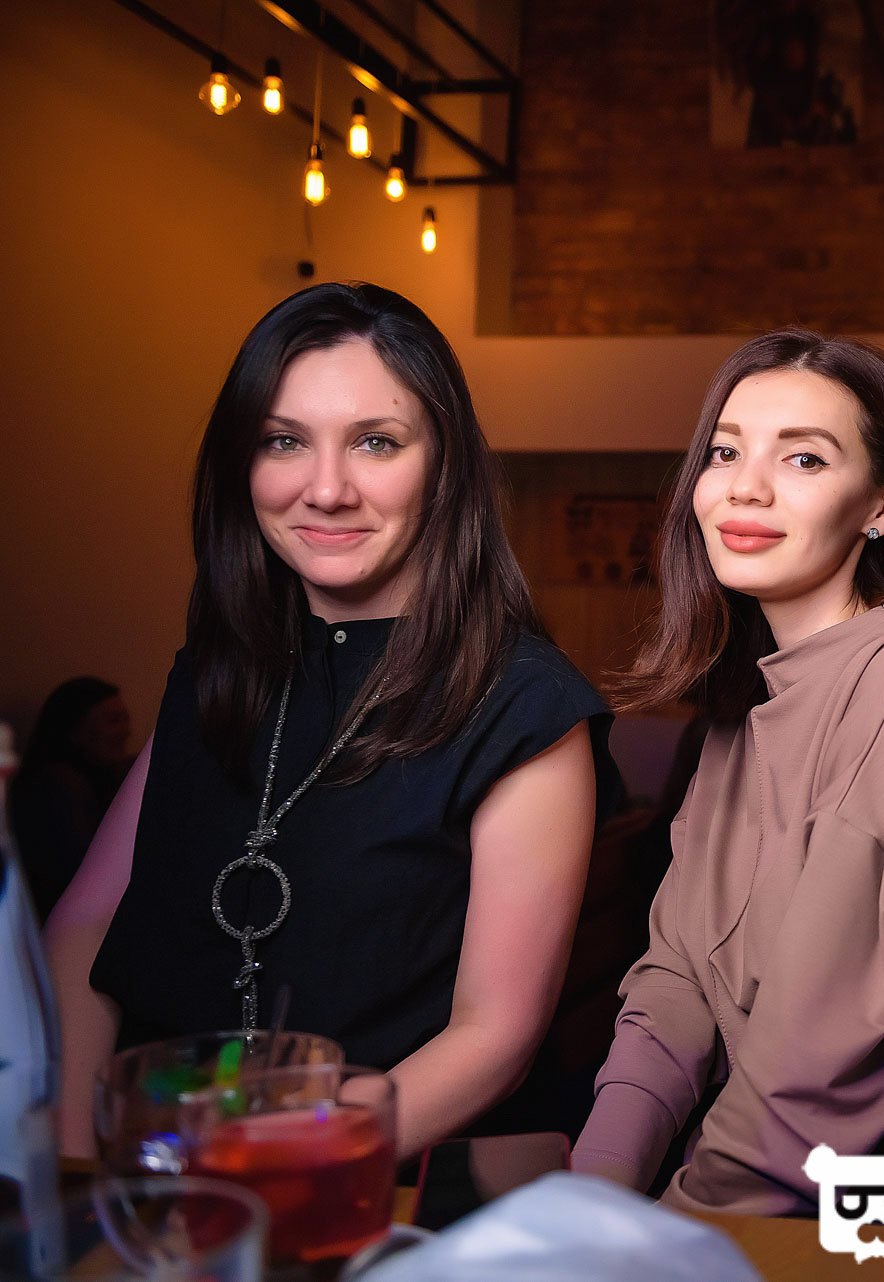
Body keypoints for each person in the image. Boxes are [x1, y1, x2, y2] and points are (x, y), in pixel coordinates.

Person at [44, 282, 619, 1159]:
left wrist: (264, 1168)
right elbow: (83, 927)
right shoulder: (217, 670)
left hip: (378, 1186)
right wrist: (76, 1164)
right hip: (155, 1176)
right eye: (284, 441)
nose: (325, 489)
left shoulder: (524, 703)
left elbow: (494, 1037)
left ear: (445, 465)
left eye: (376, 442)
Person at [572, 329, 884, 1215]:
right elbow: (673, 982)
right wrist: (590, 1193)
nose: (745, 486)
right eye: (726, 452)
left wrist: (648, 1238)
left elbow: (805, 1085)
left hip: (868, 1227)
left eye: (804, 458)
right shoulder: (744, 710)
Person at [9, 677, 133, 920]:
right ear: (75, 731)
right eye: (113, 721)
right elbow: (88, 872)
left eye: (125, 719)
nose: (125, 731)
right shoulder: (60, 784)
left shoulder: (103, 778)